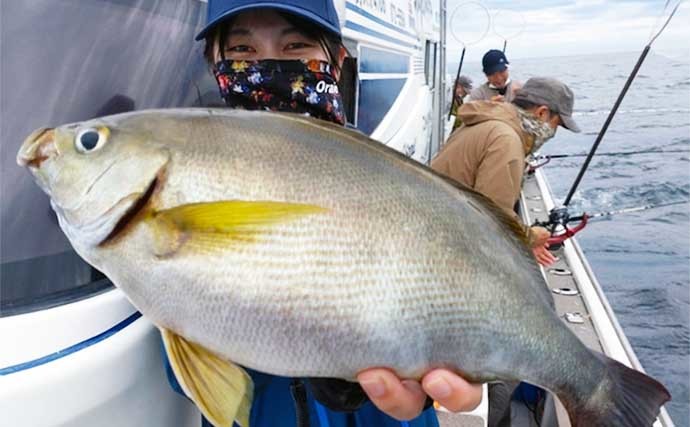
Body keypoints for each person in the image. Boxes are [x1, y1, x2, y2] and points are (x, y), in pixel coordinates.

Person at [164, 1, 484, 426]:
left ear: (337, 59)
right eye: (242, 50)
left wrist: (424, 372)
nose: (269, 64)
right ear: (214, 63)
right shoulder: (191, 184)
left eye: (295, 45)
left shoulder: (392, 181)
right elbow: (180, 346)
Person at [431, 77, 582, 267]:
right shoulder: (506, 140)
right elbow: (492, 216)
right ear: (542, 113)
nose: (553, 132)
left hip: (437, 224)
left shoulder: (490, 122)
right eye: (557, 124)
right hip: (444, 244)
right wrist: (530, 237)